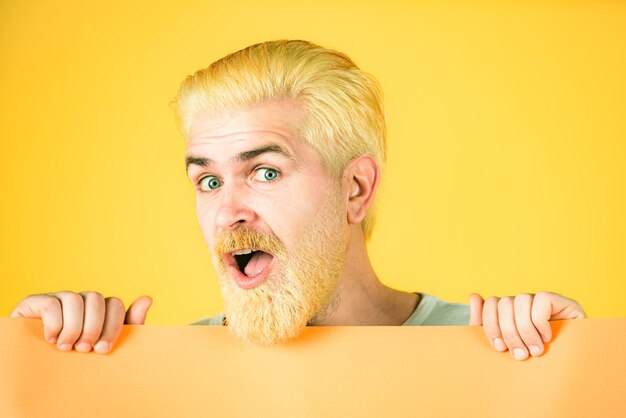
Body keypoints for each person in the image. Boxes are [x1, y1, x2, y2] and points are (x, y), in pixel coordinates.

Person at [9, 40, 586, 361]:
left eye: (263, 171)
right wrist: (43, 374)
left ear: (355, 189)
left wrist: (572, 373)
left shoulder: (494, 352)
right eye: (207, 181)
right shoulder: (158, 376)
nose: (229, 209)